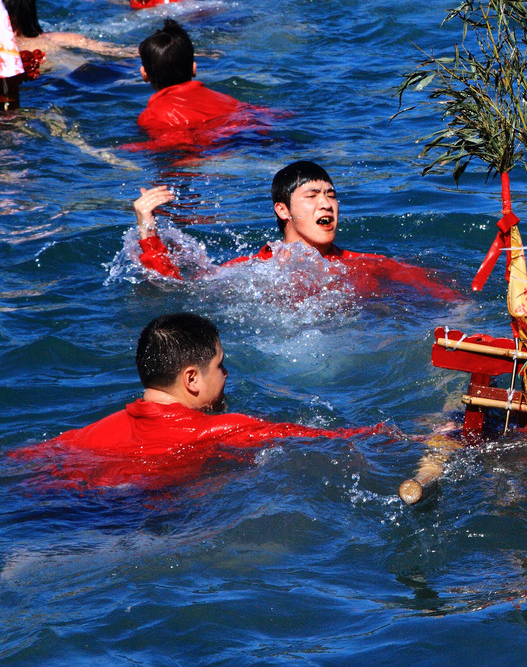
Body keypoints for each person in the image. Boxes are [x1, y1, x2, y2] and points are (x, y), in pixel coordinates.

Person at [13, 313, 388, 488]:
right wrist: (410, 436)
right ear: (191, 378)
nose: (227, 376)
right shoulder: (221, 428)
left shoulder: (80, 437)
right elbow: (331, 439)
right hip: (134, 521)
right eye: (220, 366)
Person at [133, 160, 457, 299]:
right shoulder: (254, 269)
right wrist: (148, 229)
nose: (326, 205)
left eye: (331, 196)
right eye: (312, 196)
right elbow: (176, 290)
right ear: (283, 210)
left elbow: (447, 294)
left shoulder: (367, 264)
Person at [131, 19, 267, 151]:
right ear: (194, 69)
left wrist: (127, 149)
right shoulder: (227, 100)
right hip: (246, 140)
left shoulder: (152, 116)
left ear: (144, 74)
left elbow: (174, 145)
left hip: (207, 154)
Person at [0, 0, 138, 65]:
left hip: (71, 86)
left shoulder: (12, 50)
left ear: (10, 20)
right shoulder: (58, 39)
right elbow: (121, 51)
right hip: (91, 79)